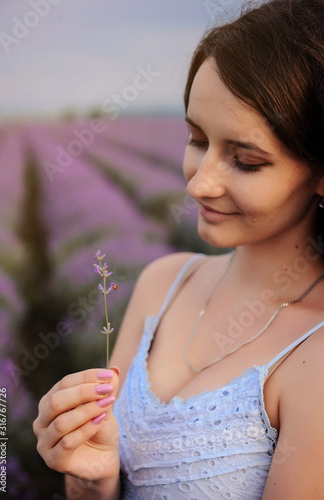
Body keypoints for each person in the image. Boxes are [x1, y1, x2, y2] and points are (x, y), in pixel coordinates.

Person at [33, 0, 324, 498]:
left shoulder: (314, 362)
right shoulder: (163, 283)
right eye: (196, 138)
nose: (198, 184)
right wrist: (90, 478)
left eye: (246, 160)